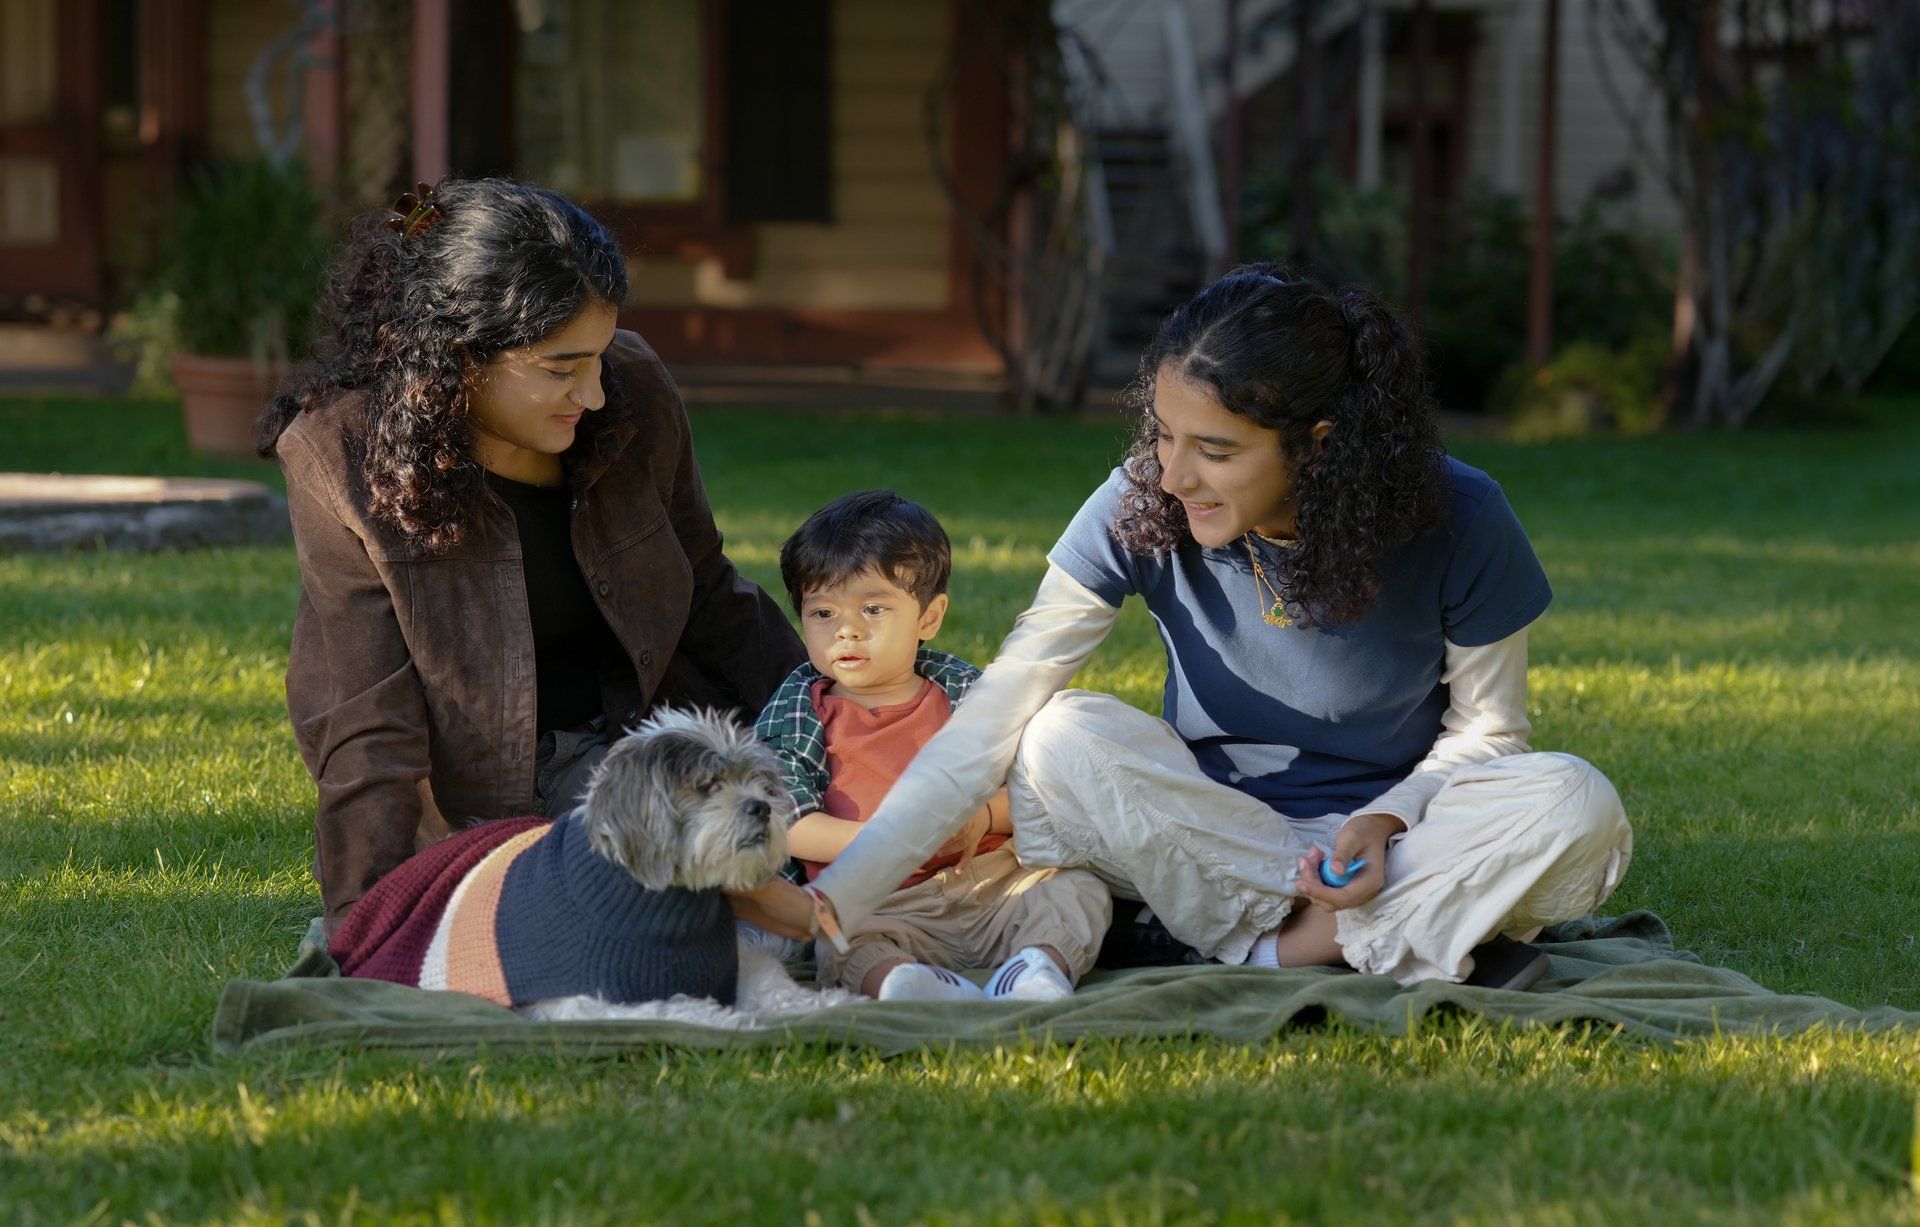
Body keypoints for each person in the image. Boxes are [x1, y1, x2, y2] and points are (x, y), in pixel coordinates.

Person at [803, 265, 1634, 989]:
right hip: (1206, 837)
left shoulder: (1464, 513)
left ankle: (1274, 947)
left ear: (1317, 446)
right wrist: (839, 896)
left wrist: (1385, 822)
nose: (1174, 474)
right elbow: (998, 708)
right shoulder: (1141, 497)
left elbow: (1489, 733)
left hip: (1398, 837)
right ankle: (1381, 934)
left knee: (1575, 800)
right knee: (1056, 735)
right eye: (1164, 435)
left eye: (1216, 449)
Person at [260, 178, 808, 937]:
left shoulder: (634, 387)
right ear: (457, 355)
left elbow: (711, 593)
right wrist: (371, 927)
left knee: (863, 836)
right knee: (681, 915)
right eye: (560, 368)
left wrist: (830, 731)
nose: (593, 393)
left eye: (599, 357)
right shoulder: (340, 454)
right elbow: (364, 719)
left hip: (670, 742)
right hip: (510, 801)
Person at [756, 491, 1111, 1002]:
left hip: (993, 885)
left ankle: (1036, 968)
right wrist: (894, 841)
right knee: (840, 939)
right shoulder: (799, 712)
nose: (847, 630)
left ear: (928, 617)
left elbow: (1040, 789)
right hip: (880, 900)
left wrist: (984, 817)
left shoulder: (969, 694)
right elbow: (788, 825)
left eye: (873, 608)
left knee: (1076, 890)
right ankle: (906, 983)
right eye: (823, 612)